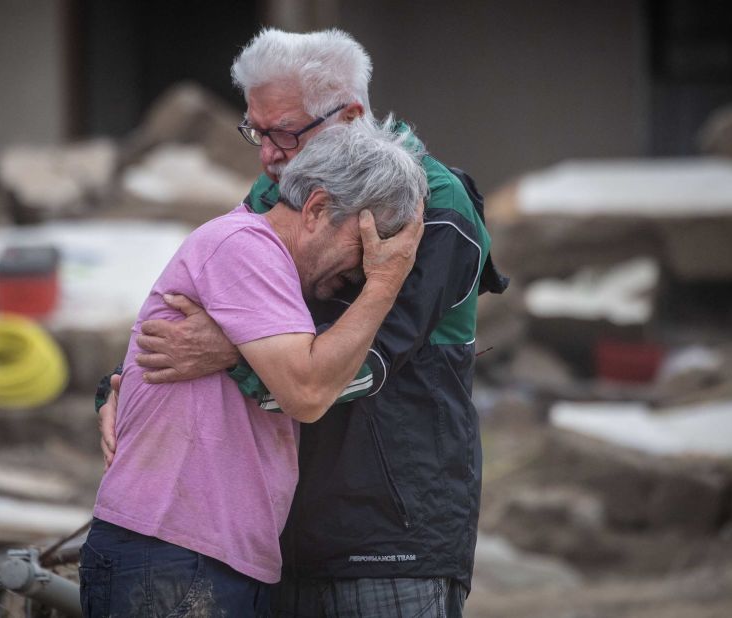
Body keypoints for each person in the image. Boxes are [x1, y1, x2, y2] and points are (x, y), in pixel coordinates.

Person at [96, 29, 506, 616]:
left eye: (284, 132)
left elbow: (360, 362)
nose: (267, 153)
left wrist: (231, 348)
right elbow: (203, 295)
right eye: (256, 131)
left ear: (352, 114)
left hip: (389, 541)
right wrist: (126, 381)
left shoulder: (431, 206)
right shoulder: (275, 192)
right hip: (273, 539)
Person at [81, 122, 427, 617]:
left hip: (208, 556)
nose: (363, 269)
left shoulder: (267, 267)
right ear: (317, 209)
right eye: (364, 247)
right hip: (175, 552)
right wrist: (385, 283)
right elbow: (307, 391)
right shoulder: (245, 247)